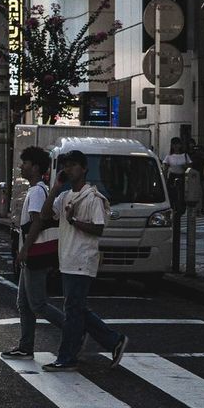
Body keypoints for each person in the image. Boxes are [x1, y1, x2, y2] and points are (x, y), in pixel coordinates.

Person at [38, 150, 129, 370]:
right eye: (66, 166)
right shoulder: (66, 196)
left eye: (73, 165)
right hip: (68, 259)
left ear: (84, 168)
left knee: (73, 309)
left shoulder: (92, 198)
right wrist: (56, 187)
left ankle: (67, 356)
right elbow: (44, 214)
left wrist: (74, 220)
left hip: (82, 259)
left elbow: (98, 228)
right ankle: (113, 340)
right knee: (76, 308)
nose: (69, 169)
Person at [1, 146, 64, 359]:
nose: (21, 167)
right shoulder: (37, 189)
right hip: (33, 253)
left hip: (35, 254)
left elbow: (37, 223)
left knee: (37, 303)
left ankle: (74, 330)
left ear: (35, 168)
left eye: (25, 163)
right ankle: (25, 346)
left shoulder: (37, 191)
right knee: (24, 303)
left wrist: (24, 250)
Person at [162, 137, 190, 216]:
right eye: (174, 144)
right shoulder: (169, 156)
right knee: (172, 194)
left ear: (180, 145)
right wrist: (164, 179)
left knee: (182, 194)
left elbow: (190, 167)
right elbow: (165, 168)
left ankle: (181, 209)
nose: (176, 146)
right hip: (172, 176)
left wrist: (185, 166)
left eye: (177, 144)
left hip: (182, 176)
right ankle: (173, 208)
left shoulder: (185, 155)